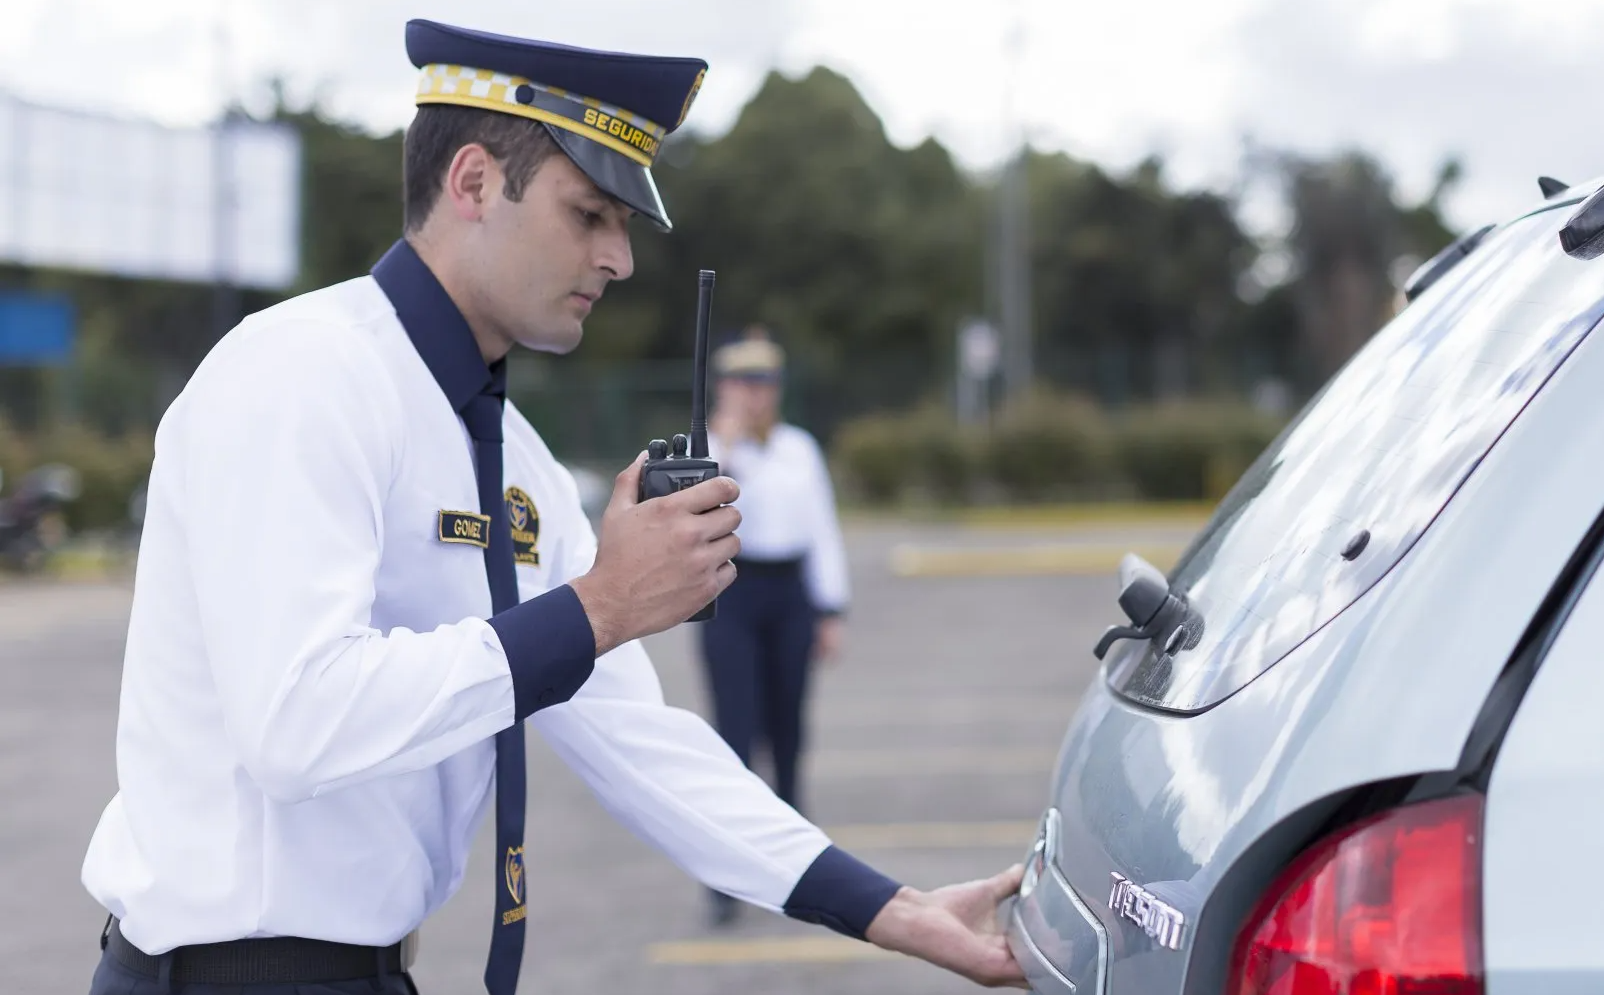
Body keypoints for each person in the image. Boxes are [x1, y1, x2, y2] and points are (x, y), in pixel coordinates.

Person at [78, 20, 1024, 995]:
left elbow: (635, 736)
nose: (617, 259)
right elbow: (297, 720)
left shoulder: (508, 452)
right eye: (590, 215)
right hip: (225, 972)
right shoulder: (302, 375)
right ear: (474, 182)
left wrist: (892, 907)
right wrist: (598, 606)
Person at [698, 327, 849, 926]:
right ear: (723, 388)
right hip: (731, 591)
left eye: (763, 383)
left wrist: (830, 609)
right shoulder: (708, 447)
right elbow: (700, 509)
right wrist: (727, 444)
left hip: (789, 595)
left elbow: (822, 531)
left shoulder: (799, 448)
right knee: (735, 733)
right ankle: (725, 874)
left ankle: (792, 865)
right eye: (742, 383)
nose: (753, 395)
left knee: (788, 729)